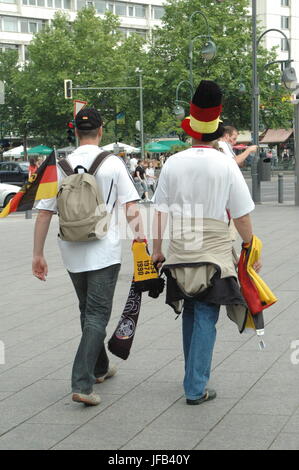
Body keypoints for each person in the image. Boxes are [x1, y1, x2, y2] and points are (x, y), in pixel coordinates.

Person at [152, 80, 261, 406]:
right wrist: (251, 247)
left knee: (190, 312)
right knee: (205, 313)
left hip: (181, 248)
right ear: (216, 131)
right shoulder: (225, 163)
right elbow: (241, 215)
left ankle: (193, 377)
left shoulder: (173, 162)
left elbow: (159, 211)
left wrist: (156, 250)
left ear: (191, 131)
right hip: (213, 251)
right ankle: (195, 387)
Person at [32, 107, 145, 406]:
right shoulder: (112, 163)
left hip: (69, 248)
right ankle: (81, 383)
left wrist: (37, 254)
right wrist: (142, 241)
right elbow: (131, 207)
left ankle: (100, 367)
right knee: (96, 314)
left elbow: (44, 212)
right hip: (103, 250)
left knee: (87, 311)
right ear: (101, 130)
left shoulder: (58, 166)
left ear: (76, 132)